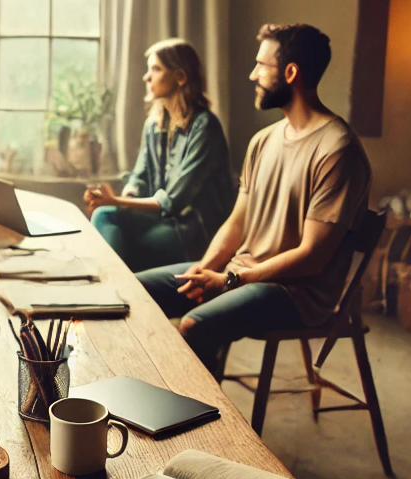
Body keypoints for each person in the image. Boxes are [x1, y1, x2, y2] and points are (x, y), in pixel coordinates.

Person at [135, 24, 372, 379]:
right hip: (241, 272)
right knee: (132, 292)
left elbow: (312, 256)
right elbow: (237, 222)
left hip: (295, 294)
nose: (252, 75)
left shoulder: (338, 149)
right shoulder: (263, 141)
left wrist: (232, 279)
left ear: (291, 73)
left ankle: (202, 413)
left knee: (194, 326)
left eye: (262, 66)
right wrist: (206, 267)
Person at [85, 39, 235, 272]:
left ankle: (112, 288)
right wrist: (125, 197)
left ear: (180, 77)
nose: (147, 77)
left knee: (114, 229)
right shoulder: (154, 124)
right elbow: (140, 176)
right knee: (105, 215)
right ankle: (114, 287)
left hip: (193, 231)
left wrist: (117, 202)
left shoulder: (204, 126)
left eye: (155, 69)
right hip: (162, 220)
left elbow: (174, 201)